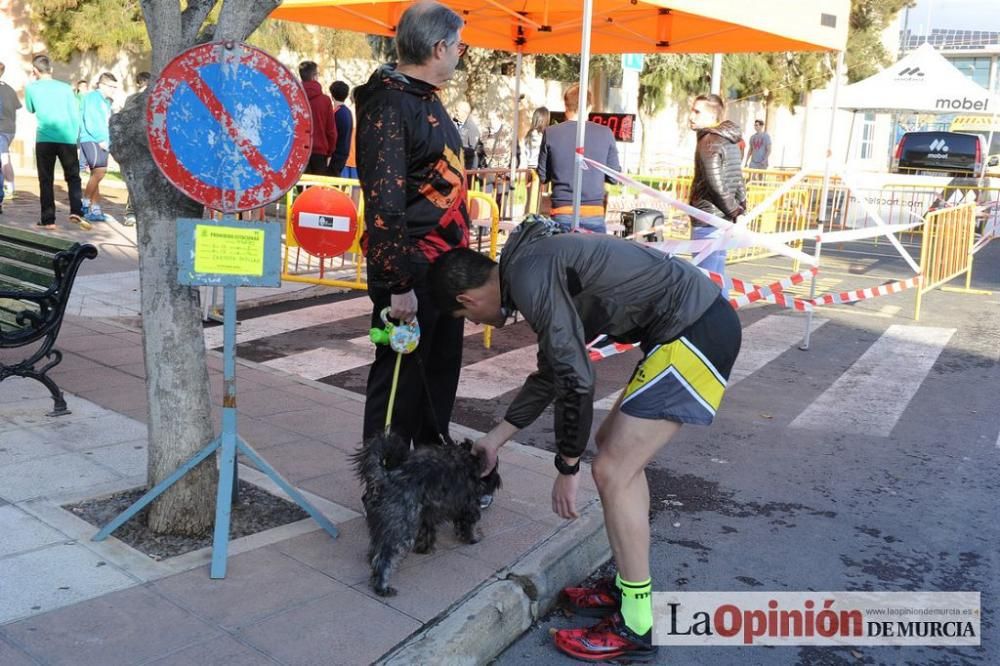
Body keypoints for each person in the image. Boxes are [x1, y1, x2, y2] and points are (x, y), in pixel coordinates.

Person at [428, 217, 742, 662]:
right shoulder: (529, 266)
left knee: (611, 468)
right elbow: (552, 372)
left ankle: (636, 623)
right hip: (689, 327)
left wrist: (567, 466)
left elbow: (576, 380)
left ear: (468, 299)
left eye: (466, 317)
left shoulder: (530, 274)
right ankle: (627, 587)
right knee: (615, 448)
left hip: (694, 332)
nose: (476, 322)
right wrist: (496, 439)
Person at [354, 1, 471, 455]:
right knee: (400, 382)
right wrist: (398, 282)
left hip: (446, 267)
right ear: (439, 47)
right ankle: (383, 483)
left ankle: (426, 473)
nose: (462, 54)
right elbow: (384, 202)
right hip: (411, 267)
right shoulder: (389, 103)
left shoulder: (425, 99)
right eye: (460, 46)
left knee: (438, 377)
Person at [537, 84, 621, 233]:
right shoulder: (605, 133)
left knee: (563, 256)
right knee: (594, 256)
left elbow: (543, 176)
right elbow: (614, 177)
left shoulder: (551, 133)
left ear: (565, 105)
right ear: (589, 106)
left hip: (562, 210)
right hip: (594, 211)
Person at [688, 93, 746, 287]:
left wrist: (735, 211)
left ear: (713, 117)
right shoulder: (730, 140)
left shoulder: (709, 141)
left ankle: (715, 317)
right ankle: (722, 315)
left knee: (706, 281)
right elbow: (738, 178)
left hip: (708, 219)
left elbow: (715, 183)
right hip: (723, 221)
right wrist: (739, 209)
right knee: (717, 277)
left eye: (697, 112)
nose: (691, 116)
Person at [24, 55, 86, 230]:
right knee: (73, 176)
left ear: (35, 70)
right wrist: (74, 136)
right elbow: (74, 113)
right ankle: (76, 211)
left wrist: (31, 82)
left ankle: (48, 219)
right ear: (51, 69)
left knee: (46, 179)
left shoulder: (31, 88)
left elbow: (30, 109)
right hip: (67, 138)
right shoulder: (66, 88)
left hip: (44, 139)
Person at [79, 72, 118, 224]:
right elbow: (91, 119)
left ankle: (96, 210)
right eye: (111, 86)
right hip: (93, 139)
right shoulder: (93, 98)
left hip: (102, 140)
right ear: (101, 84)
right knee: (100, 173)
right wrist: (100, 139)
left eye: (115, 87)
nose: (114, 89)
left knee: (96, 174)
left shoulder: (106, 101)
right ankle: (85, 203)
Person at [299, 61, 337, 175]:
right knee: (317, 189)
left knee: (302, 190)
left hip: (299, 151)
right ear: (315, 76)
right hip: (320, 151)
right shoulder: (325, 101)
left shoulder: (295, 99)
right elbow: (331, 130)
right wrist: (330, 150)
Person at [122, 71, 150, 227]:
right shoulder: (132, 99)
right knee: (136, 180)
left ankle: (141, 213)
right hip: (136, 146)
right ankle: (131, 212)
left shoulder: (154, 97)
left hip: (149, 147)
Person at [0, 61, 22, 212]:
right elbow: (16, 109)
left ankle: (7, 189)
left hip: (1, 130)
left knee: (3, 158)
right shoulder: (9, 89)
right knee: (4, 156)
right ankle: (9, 187)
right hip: (10, 130)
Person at [328, 80, 353, 177]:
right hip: (344, 154)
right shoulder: (348, 112)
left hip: (335, 155)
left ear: (332, 95)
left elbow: (333, 135)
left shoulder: (335, 113)